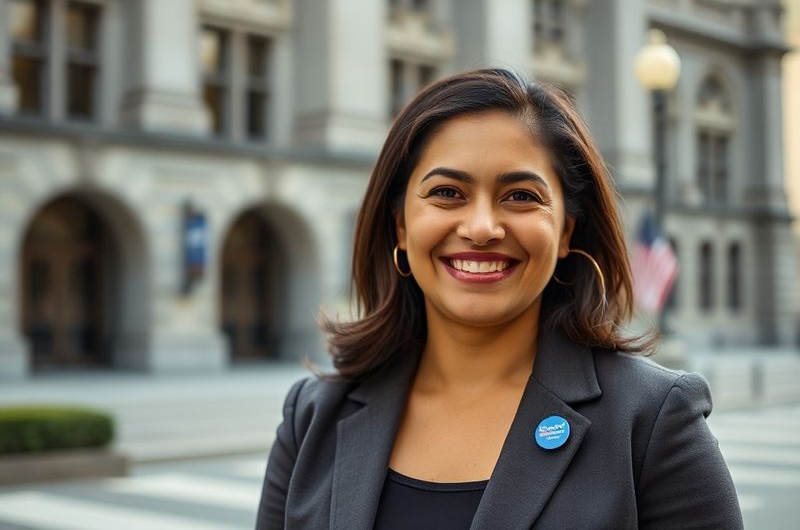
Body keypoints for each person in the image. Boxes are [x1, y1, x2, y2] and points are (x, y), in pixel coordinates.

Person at [256, 68, 743, 529]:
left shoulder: (652, 420)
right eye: (447, 192)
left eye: (520, 196)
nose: (482, 228)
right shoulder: (313, 416)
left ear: (567, 230)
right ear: (401, 225)